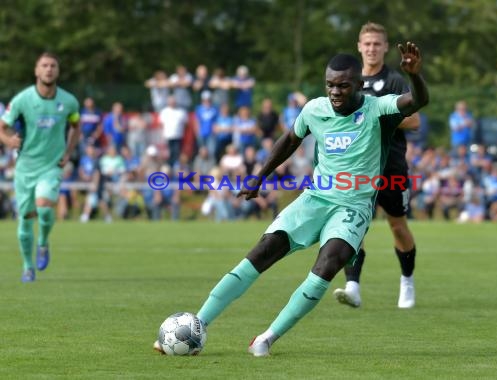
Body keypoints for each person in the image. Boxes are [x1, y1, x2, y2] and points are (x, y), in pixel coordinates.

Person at [153, 42, 429, 356]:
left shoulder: (378, 110)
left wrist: (415, 77)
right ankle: (197, 324)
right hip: (315, 199)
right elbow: (289, 140)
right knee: (262, 251)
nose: (335, 91)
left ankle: (266, 339)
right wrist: (259, 176)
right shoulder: (314, 109)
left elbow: (419, 100)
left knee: (328, 264)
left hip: (353, 207)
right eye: (330, 85)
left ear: (359, 85)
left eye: (343, 85)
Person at [333, 22, 421, 309]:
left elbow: (415, 120)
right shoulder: (348, 79)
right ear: (359, 46)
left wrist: (377, 116)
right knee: (352, 226)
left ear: (385, 48)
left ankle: (407, 280)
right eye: (366, 44)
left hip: (390, 168)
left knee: (397, 226)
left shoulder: (394, 81)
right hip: (357, 169)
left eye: (376, 44)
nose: (371, 49)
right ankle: (353, 286)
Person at [0, 52, 80, 282]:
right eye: (44, 65)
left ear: (58, 70)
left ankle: (43, 242)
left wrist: (68, 152)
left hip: (51, 166)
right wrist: (8, 141)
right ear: (36, 70)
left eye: (53, 65)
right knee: (25, 218)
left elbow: (76, 126)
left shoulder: (68, 101)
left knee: (44, 206)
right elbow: (2, 128)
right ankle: (27, 266)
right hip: (25, 167)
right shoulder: (22, 100)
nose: (49, 69)